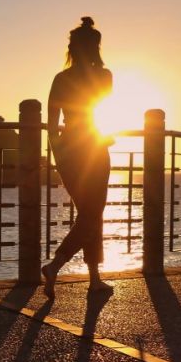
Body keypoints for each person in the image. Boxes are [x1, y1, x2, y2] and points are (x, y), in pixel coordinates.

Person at [42, 16, 114, 299]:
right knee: (93, 214)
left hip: (69, 150)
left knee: (89, 214)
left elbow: (51, 123)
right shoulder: (105, 76)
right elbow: (97, 103)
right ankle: (56, 265)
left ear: (72, 48)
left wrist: (58, 154)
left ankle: (94, 279)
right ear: (96, 47)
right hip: (95, 148)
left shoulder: (61, 79)